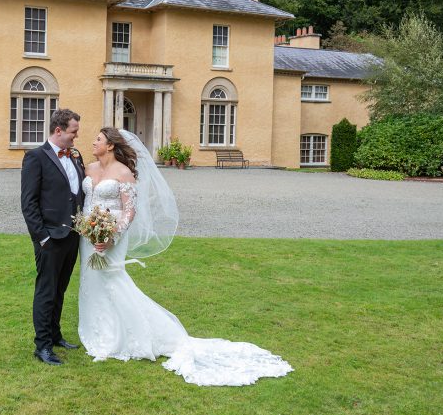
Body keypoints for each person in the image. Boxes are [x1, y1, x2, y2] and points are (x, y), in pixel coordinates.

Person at [78, 127, 293, 386]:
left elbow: (129, 212)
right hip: (88, 235)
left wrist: (111, 236)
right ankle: (97, 330)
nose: (93, 142)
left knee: (112, 280)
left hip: (112, 236)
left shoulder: (124, 173)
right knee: (91, 282)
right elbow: (85, 202)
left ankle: (127, 335)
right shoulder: (88, 169)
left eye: (98, 140)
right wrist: (88, 228)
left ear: (111, 145)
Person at [21, 109, 85, 366]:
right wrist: (42, 238)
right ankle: (42, 345)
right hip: (50, 237)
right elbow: (28, 203)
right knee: (46, 291)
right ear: (58, 131)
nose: (76, 137)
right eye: (73, 132)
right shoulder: (35, 157)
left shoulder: (75, 157)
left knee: (60, 289)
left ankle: (56, 335)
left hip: (72, 236)